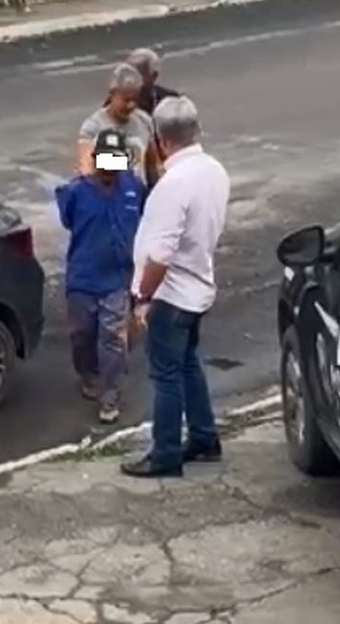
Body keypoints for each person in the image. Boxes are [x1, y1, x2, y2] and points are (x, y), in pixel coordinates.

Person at [121, 96, 230, 478]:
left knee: (165, 375)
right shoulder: (214, 170)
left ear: (161, 140)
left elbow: (160, 256)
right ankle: (203, 438)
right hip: (198, 286)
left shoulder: (172, 184)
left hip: (170, 295)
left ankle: (165, 453)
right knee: (187, 366)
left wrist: (141, 300)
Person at [56, 128, 147, 424]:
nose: (109, 167)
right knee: (82, 334)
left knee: (112, 340)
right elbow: (68, 220)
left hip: (117, 281)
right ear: (95, 160)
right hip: (83, 279)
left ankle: (110, 395)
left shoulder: (133, 189)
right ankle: (88, 374)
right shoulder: (76, 192)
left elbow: (144, 222)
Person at [78, 63, 161, 190]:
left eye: (135, 99)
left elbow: (153, 168)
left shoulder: (145, 121)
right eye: (126, 99)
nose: (131, 105)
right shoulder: (93, 126)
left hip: (139, 198)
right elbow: (86, 170)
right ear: (112, 94)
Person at [126, 48, 179, 116]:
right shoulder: (119, 103)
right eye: (130, 74)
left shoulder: (171, 100)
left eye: (140, 74)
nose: (132, 80)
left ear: (154, 75)